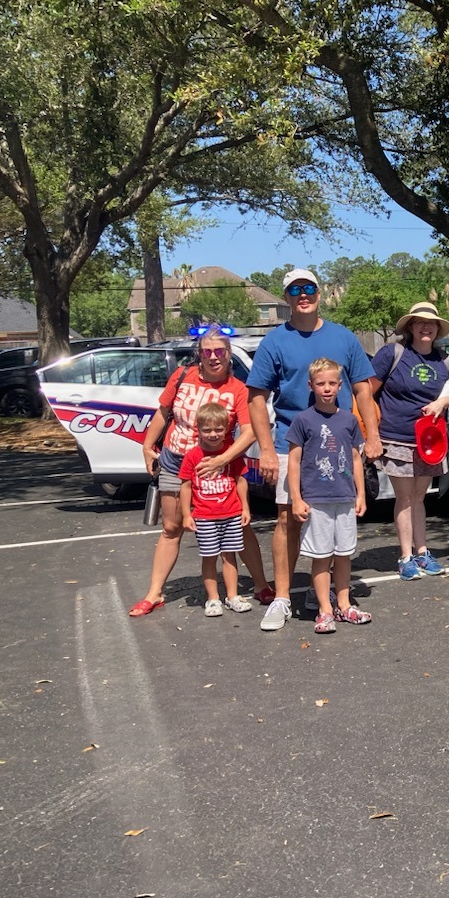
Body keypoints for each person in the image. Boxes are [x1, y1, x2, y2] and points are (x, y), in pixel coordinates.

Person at [247, 269, 380, 632]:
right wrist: (266, 450)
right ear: (287, 297)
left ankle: (328, 596)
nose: (302, 295)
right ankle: (283, 597)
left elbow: (364, 390)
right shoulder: (274, 341)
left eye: (308, 289)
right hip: (292, 443)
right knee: (289, 518)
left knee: (337, 522)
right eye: (294, 290)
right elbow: (256, 399)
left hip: (338, 446)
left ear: (319, 294)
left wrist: (372, 436)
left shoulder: (343, 337)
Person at [130, 327, 273, 617]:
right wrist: (147, 445)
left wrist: (223, 460)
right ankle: (154, 593)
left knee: (238, 526)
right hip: (176, 460)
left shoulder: (238, 389)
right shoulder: (183, 376)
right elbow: (162, 412)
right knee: (172, 527)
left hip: (221, 470)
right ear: (200, 354)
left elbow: (250, 432)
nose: (213, 357)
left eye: (219, 351)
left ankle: (260, 585)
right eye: (207, 351)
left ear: (228, 354)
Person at [370, 301, 449, 580]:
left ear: (437, 329)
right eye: (419, 322)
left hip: (431, 441)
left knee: (419, 497)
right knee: (403, 497)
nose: (426, 327)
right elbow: (367, 392)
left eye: (431, 323)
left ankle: (423, 552)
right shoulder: (393, 353)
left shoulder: (445, 360)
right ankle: (405, 557)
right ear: (410, 327)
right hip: (398, 437)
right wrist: (370, 433)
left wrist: (444, 402)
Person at [287, 359, 370, 635]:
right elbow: (294, 461)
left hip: (344, 497)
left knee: (344, 554)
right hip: (317, 500)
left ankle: (344, 605)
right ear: (311, 385)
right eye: (320, 383)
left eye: (332, 383)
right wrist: (297, 498)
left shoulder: (348, 419)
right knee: (321, 556)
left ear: (339, 385)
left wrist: (360, 494)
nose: (326, 388)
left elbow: (356, 458)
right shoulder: (303, 420)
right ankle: (324, 609)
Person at [178, 401, 252, 617]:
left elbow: (240, 481)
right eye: (207, 430)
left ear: (227, 429)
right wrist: (186, 514)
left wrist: (245, 508)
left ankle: (232, 596)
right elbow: (186, 485)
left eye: (218, 429)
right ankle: (212, 599)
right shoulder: (193, 456)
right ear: (198, 430)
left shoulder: (231, 454)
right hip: (204, 516)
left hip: (231, 514)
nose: (213, 434)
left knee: (230, 556)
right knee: (209, 557)